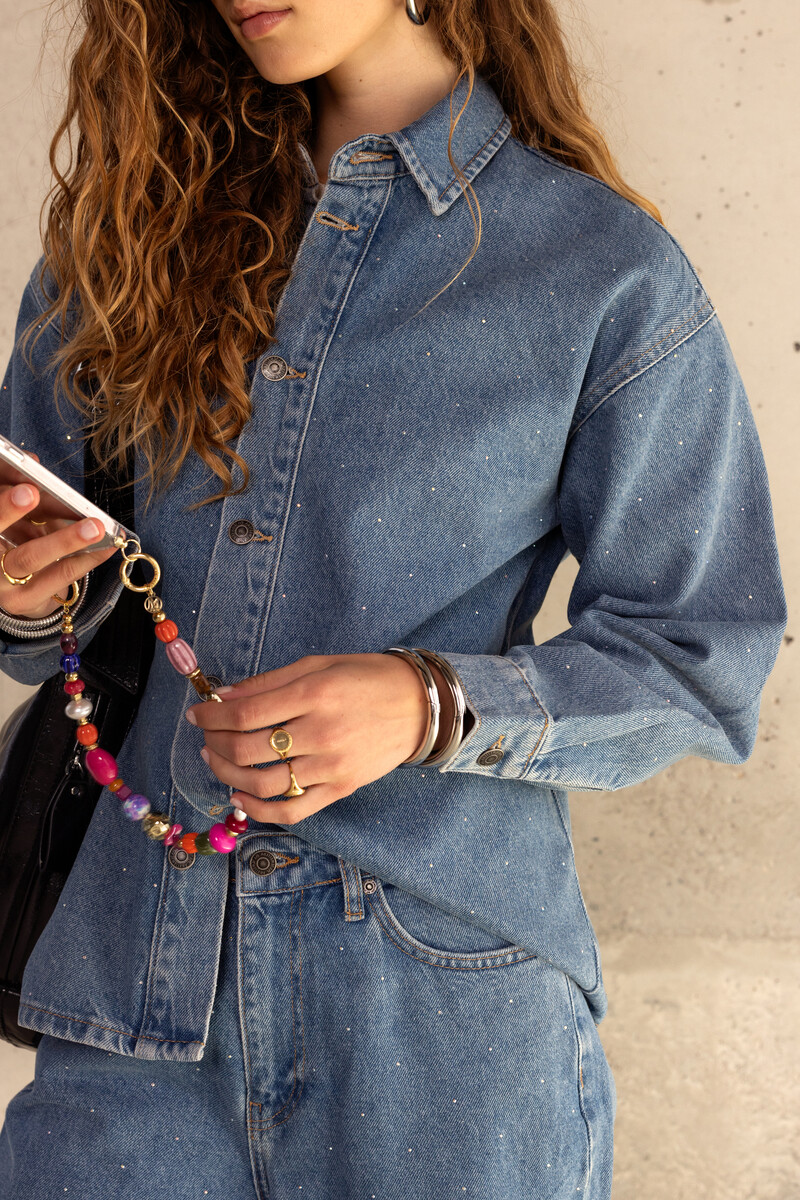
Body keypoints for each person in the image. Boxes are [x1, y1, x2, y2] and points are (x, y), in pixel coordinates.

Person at [0, 0, 786, 1196]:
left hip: (440, 1035)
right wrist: (20, 590)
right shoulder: (119, 246)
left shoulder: (594, 269)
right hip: (129, 1020)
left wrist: (427, 703)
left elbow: (700, 651)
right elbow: (54, 626)